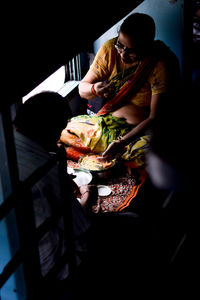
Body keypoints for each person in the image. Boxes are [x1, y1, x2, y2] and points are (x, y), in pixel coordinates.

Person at [60, 13, 179, 170]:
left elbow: (155, 118)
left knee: (149, 155)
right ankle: (112, 159)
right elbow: (83, 89)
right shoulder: (110, 49)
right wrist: (94, 89)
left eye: (131, 51)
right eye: (120, 45)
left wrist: (122, 142)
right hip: (106, 124)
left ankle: (114, 158)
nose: (123, 54)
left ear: (146, 47)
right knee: (66, 132)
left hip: (138, 132)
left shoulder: (158, 64)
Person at [13, 91, 98, 286]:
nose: (59, 137)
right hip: (52, 265)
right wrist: (86, 193)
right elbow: (80, 226)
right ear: (49, 130)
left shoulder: (9, 146)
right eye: (59, 130)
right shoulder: (44, 170)